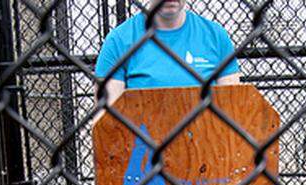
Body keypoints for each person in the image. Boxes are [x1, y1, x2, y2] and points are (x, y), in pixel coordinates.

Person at [94, 0, 241, 108]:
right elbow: (106, 119)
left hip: (205, 143)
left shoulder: (215, 35)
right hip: (142, 144)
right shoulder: (119, 40)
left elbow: (233, 107)